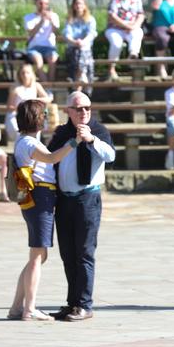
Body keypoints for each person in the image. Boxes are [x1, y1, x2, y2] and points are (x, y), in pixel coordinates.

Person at [7, 99, 79, 321]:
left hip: (37, 199)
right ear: (36, 118)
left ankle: (17, 307)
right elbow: (51, 158)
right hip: (40, 197)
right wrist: (75, 142)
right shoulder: (29, 143)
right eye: (44, 114)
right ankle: (29, 309)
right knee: (38, 254)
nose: (46, 118)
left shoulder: (24, 141)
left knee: (39, 255)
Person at [47, 92, 116, 322]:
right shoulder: (61, 133)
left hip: (88, 199)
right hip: (64, 199)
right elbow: (50, 158)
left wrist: (91, 140)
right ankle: (72, 302)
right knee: (68, 253)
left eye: (87, 107)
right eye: (78, 108)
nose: (84, 112)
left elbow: (111, 156)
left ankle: (85, 304)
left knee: (84, 253)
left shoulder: (98, 131)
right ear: (68, 111)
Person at [105, 0, 145, 81]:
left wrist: (135, 25)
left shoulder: (137, 0)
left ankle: (132, 56)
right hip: (115, 28)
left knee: (138, 33)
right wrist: (126, 25)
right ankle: (111, 69)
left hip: (132, 27)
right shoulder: (115, 0)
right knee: (116, 43)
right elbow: (112, 17)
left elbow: (141, 15)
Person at [5, 63, 53, 142]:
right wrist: (22, 107)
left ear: (32, 74)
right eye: (23, 73)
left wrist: (34, 100)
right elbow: (9, 106)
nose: (25, 75)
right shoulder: (15, 87)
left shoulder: (36, 85)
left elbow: (48, 98)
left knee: (37, 123)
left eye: (27, 73)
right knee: (18, 131)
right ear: (19, 74)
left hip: (33, 115)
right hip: (17, 115)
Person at [63, 0, 97, 93]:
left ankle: (77, 87)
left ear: (85, 6)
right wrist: (75, 42)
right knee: (78, 53)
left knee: (81, 52)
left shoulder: (90, 19)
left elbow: (91, 34)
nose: (78, 6)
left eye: (81, 3)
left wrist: (82, 42)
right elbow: (67, 34)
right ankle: (82, 75)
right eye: (76, 3)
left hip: (85, 48)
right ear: (73, 6)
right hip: (72, 48)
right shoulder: (69, 20)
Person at [24, 0, 60, 82]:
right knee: (38, 61)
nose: (43, 5)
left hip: (49, 47)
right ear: (35, 2)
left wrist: (51, 20)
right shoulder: (29, 17)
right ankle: (47, 86)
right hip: (34, 47)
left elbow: (56, 32)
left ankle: (51, 86)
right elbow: (31, 33)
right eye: (41, 3)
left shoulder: (54, 16)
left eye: (46, 3)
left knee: (53, 60)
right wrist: (42, 21)